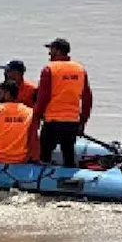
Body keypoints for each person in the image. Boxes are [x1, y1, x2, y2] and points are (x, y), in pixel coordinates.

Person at [30, 39, 91, 167]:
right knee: (68, 154)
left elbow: (43, 97)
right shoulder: (80, 70)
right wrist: (82, 121)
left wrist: (35, 117)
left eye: (51, 50)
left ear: (57, 51)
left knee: (44, 155)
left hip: (52, 121)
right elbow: (87, 98)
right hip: (72, 122)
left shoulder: (49, 69)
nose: (49, 54)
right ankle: (70, 178)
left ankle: (41, 182)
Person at [0, 81, 39, 164]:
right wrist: (35, 159)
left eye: (0, 93)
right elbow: (33, 138)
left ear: (7, 94)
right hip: (20, 159)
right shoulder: (29, 112)